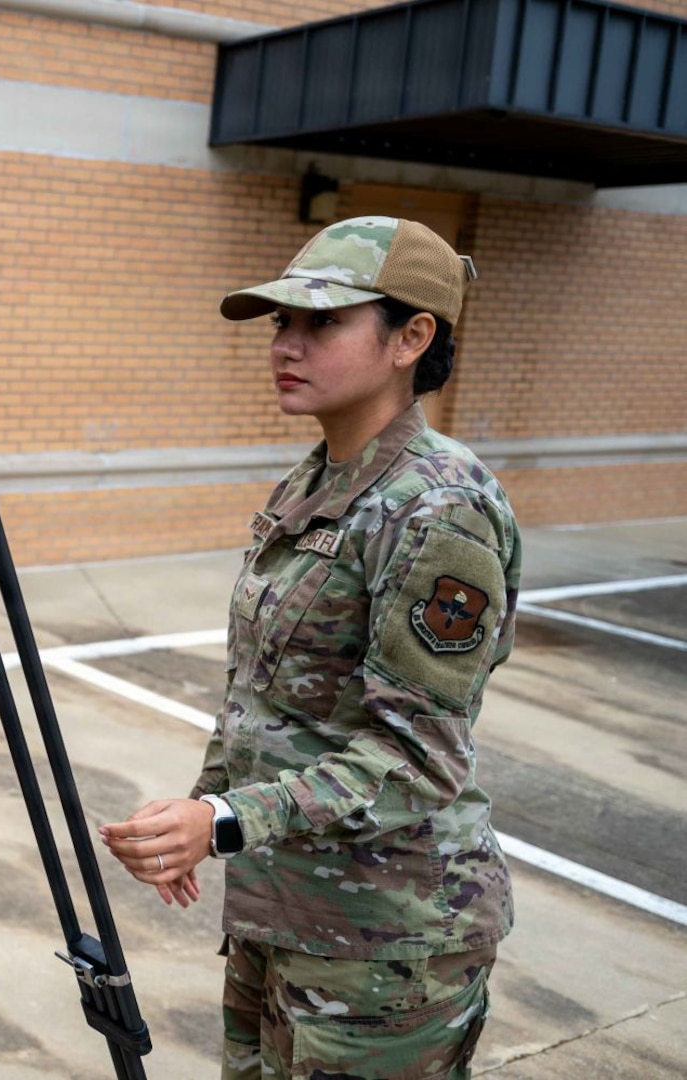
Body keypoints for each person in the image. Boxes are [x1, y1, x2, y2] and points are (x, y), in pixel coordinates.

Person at [99, 217, 519, 1079]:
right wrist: (203, 807)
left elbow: (417, 757)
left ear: (410, 338)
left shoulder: (435, 510)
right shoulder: (320, 475)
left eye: (320, 322)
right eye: (279, 323)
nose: (285, 344)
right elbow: (263, 688)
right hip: (285, 902)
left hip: (388, 939)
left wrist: (222, 823)